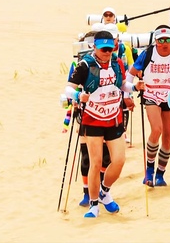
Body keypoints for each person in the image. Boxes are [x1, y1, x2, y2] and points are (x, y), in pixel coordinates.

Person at [66, 30, 136, 218]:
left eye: (110, 49)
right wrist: (78, 95)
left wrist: (135, 87)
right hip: (93, 118)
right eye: (103, 49)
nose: (107, 52)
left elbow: (122, 85)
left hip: (114, 117)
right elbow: (68, 89)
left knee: (119, 160)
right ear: (94, 47)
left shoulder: (117, 63)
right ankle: (94, 204)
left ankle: (105, 191)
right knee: (95, 163)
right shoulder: (85, 65)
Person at [127, 25, 170, 187]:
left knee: (167, 136)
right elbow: (130, 73)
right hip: (151, 96)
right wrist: (129, 93)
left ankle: (160, 174)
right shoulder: (147, 53)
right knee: (156, 130)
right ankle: (149, 170)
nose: (164, 43)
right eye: (160, 40)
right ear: (155, 41)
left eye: (168, 39)